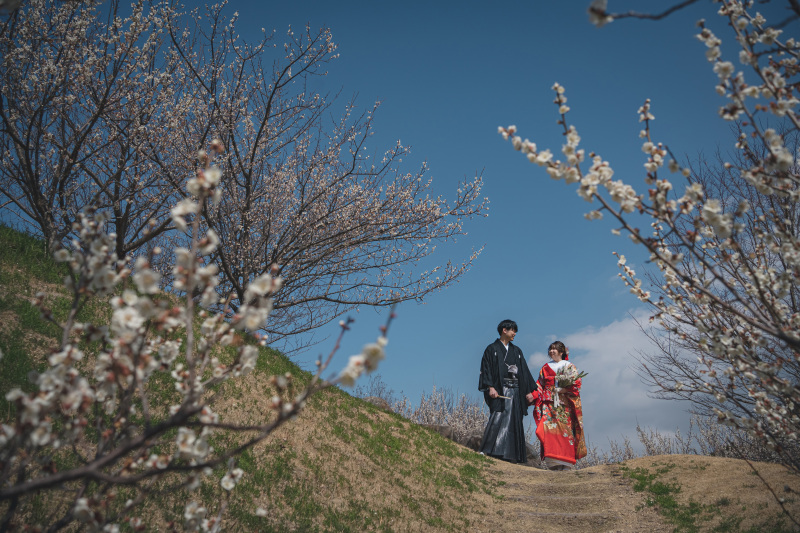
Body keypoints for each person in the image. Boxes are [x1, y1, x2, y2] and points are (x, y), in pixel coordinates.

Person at [478, 319, 536, 463]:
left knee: (514, 420)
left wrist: (529, 391)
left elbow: (524, 371)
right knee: (498, 416)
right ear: (505, 330)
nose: (514, 333)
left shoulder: (517, 351)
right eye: (513, 330)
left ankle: (512, 455)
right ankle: (490, 450)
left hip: (516, 390)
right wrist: (490, 387)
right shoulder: (492, 349)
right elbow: (486, 369)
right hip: (500, 389)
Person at [531, 341, 587, 470]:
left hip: (563, 404)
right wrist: (532, 396)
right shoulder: (545, 367)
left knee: (565, 431)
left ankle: (566, 462)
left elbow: (577, 384)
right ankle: (552, 462)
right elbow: (539, 385)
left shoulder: (569, 366)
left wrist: (564, 390)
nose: (551, 351)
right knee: (549, 431)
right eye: (550, 349)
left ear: (561, 352)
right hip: (548, 404)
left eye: (554, 349)